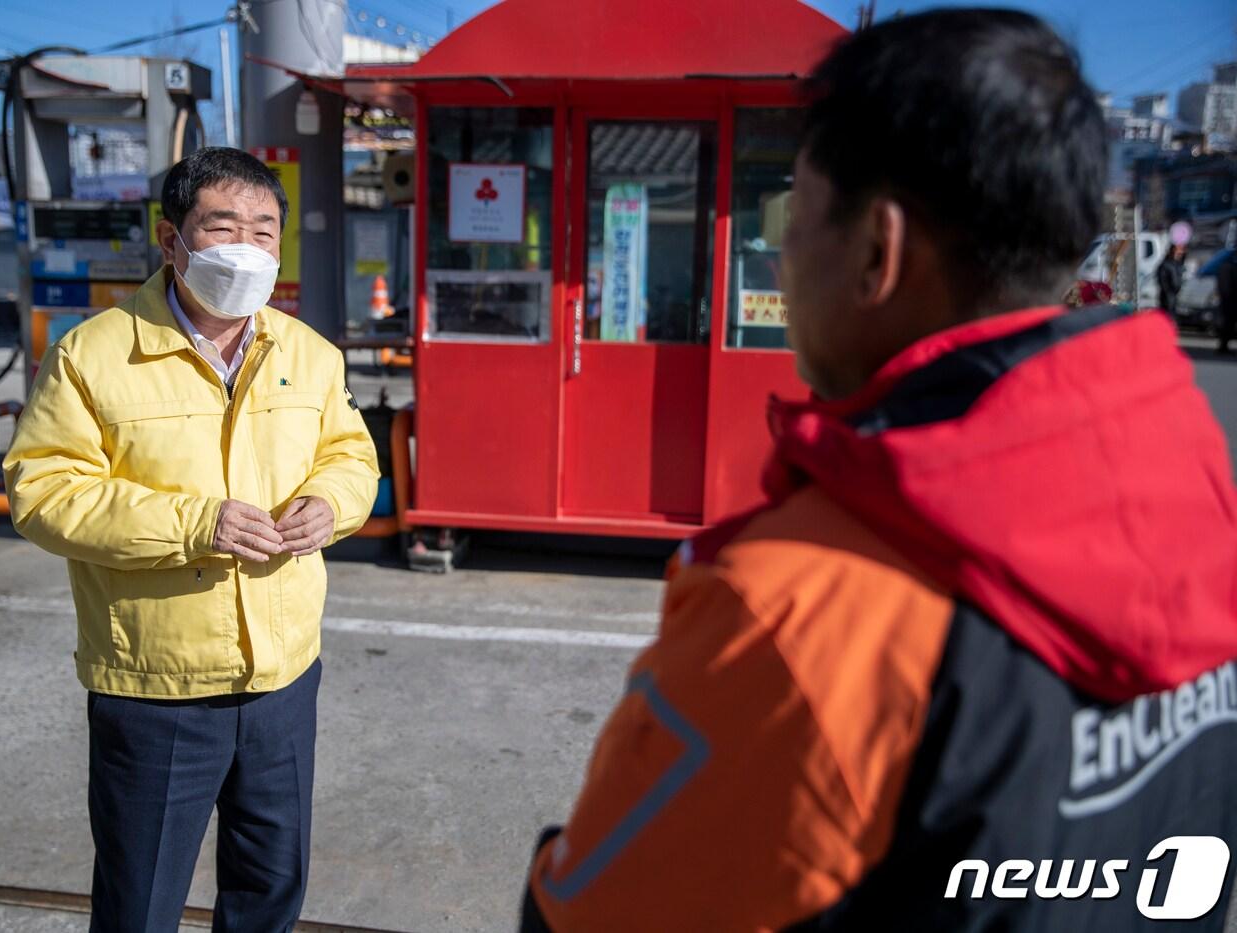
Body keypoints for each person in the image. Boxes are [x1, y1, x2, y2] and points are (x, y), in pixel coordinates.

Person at [521, 10, 1237, 932]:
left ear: (875, 250)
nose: (782, 248)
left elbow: (589, 914)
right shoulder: (1198, 493)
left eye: (795, 211)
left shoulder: (791, 601)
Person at [5, 147, 379, 932]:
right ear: (170, 238)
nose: (247, 247)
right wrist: (194, 523)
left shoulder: (308, 353)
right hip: (156, 684)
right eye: (223, 226)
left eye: (264, 230)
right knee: (141, 902)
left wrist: (330, 501)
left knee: (271, 887)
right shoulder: (93, 354)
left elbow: (351, 455)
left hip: (282, 676)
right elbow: (43, 491)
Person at [1158, 243, 1186, 318]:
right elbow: (1162, 281)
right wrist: (1167, 292)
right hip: (1167, 296)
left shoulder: (1177, 265)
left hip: (1175, 295)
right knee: (1168, 316)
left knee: (1173, 315)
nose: (1179, 254)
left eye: (1181, 252)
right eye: (1177, 252)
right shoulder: (1166, 264)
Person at [1219, 246, 1237, 354]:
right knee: (1228, 324)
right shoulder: (1229, 268)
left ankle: (1223, 345)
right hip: (1230, 301)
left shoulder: (1225, 267)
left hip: (1228, 301)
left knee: (1227, 324)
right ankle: (1223, 346)